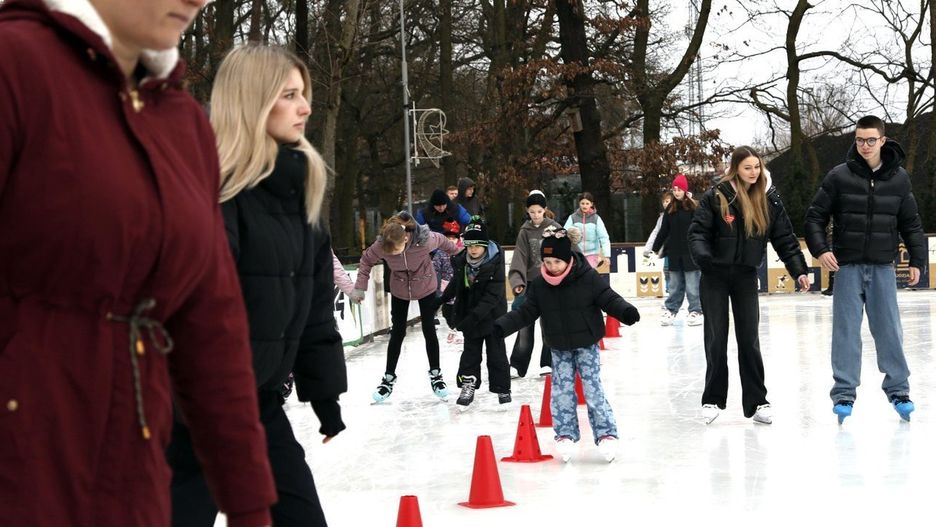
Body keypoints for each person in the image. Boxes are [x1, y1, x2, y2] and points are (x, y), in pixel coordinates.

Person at [0, 0, 276, 525]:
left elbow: (211, 328)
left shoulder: (184, 125)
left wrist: (248, 503)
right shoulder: (15, 66)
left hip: (133, 476)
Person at [168, 44, 348, 527]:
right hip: (184, 417)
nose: (306, 107)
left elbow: (313, 309)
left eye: (304, 93)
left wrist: (324, 394)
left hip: (257, 404)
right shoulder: (207, 190)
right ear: (252, 102)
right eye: (289, 95)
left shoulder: (300, 192)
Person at [804, 115, 925, 423]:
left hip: (883, 267)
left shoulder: (898, 179)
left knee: (889, 332)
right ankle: (844, 393)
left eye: (871, 140)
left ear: (883, 141)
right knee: (845, 332)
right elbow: (815, 217)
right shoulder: (839, 176)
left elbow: (910, 223)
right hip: (847, 267)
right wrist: (820, 250)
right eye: (859, 140)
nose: (865, 145)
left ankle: (899, 390)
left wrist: (918, 260)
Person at [493, 227, 640, 463]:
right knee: (561, 391)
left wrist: (625, 311)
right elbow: (525, 312)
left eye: (556, 262)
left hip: (587, 343)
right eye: (547, 261)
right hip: (558, 346)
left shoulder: (587, 277)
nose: (552, 266)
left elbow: (607, 297)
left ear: (569, 258)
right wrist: (502, 326)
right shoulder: (540, 285)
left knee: (592, 390)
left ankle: (606, 434)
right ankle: (565, 434)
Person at [689, 146, 810, 426]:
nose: (753, 172)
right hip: (715, 276)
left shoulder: (769, 199)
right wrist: (705, 260)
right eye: (747, 168)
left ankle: (757, 401)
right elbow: (697, 234)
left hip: (745, 275)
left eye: (757, 167)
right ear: (735, 169)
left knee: (749, 339)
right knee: (716, 338)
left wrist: (798, 270)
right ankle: (712, 399)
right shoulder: (717, 196)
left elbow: (785, 239)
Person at [351, 212, 460, 402]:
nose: (393, 255)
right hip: (400, 288)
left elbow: (443, 240)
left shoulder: (424, 241)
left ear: (407, 238)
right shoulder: (381, 245)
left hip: (426, 285)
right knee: (397, 331)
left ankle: (436, 374)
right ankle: (388, 378)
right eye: (390, 254)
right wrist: (360, 287)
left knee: (429, 328)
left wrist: (458, 255)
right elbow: (367, 260)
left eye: (396, 251)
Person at [437, 217, 511, 408]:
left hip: (492, 316)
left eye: (477, 245)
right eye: (469, 245)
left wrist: (472, 318)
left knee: (496, 353)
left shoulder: (495, 262)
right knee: (470, 353)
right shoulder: (463, 262)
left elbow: (492, 297)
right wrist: (442, 299)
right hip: (470, 314)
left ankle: (502, 388)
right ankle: (468, 385)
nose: (473, 250)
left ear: (485, 245)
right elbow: (456, 284)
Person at [507, 190, 562, 378]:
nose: (536, 215)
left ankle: (548, 362)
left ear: (545, 210)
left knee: (550, 323)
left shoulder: (554, 228)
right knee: (524, 324)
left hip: (550, 283)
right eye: (532, 212)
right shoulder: (525, 231)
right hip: (530, 284)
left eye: (539, 211)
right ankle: (517, 364)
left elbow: (567, 252)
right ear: (527, 211)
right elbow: (519, 258)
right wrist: (518, 282)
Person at [652, 175, 702, 326]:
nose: (676, 192)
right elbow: (664, 230)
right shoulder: (670, 208)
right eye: (674, 189)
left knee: (693, 285)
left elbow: (700, 229)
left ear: (685, 190)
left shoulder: (694, 207)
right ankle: (671, 310)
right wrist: (656, 247)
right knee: (674, 284)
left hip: (690, 254)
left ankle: (696, 310)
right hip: (674, 253)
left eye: (679, 189)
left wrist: (701, 246)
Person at [564, 191, 611, 269]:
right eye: (582, 203)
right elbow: (565, 233)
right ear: (579, 203)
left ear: (591, 204)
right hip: (576, 254)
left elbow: (604, 237)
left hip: (592, 254)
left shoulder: (596, 219)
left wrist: (607, 256)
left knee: (587, 273)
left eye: (587, 203)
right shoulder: (572, 217)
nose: (584, 206)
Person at [435, 219, 462, 343]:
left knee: (460, 308)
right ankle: (453, 327)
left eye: (454, 238)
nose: (451, 240)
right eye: (448, 238)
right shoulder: (440, 253)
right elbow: (435, 267)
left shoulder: (462, 252)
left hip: (460, 285)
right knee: (447, 311)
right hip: (446, 286)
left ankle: (458, 330)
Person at [643, 191, 674, 294]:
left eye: (667, 201)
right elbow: (656, 233)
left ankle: (677, 289)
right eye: (663, 201)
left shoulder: (678, 213)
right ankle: (669, 289)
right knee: (667, 269)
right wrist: (648, 248)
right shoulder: (661, 218)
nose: (665, 203)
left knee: (678, 271)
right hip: (667, 249)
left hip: (679, 248)